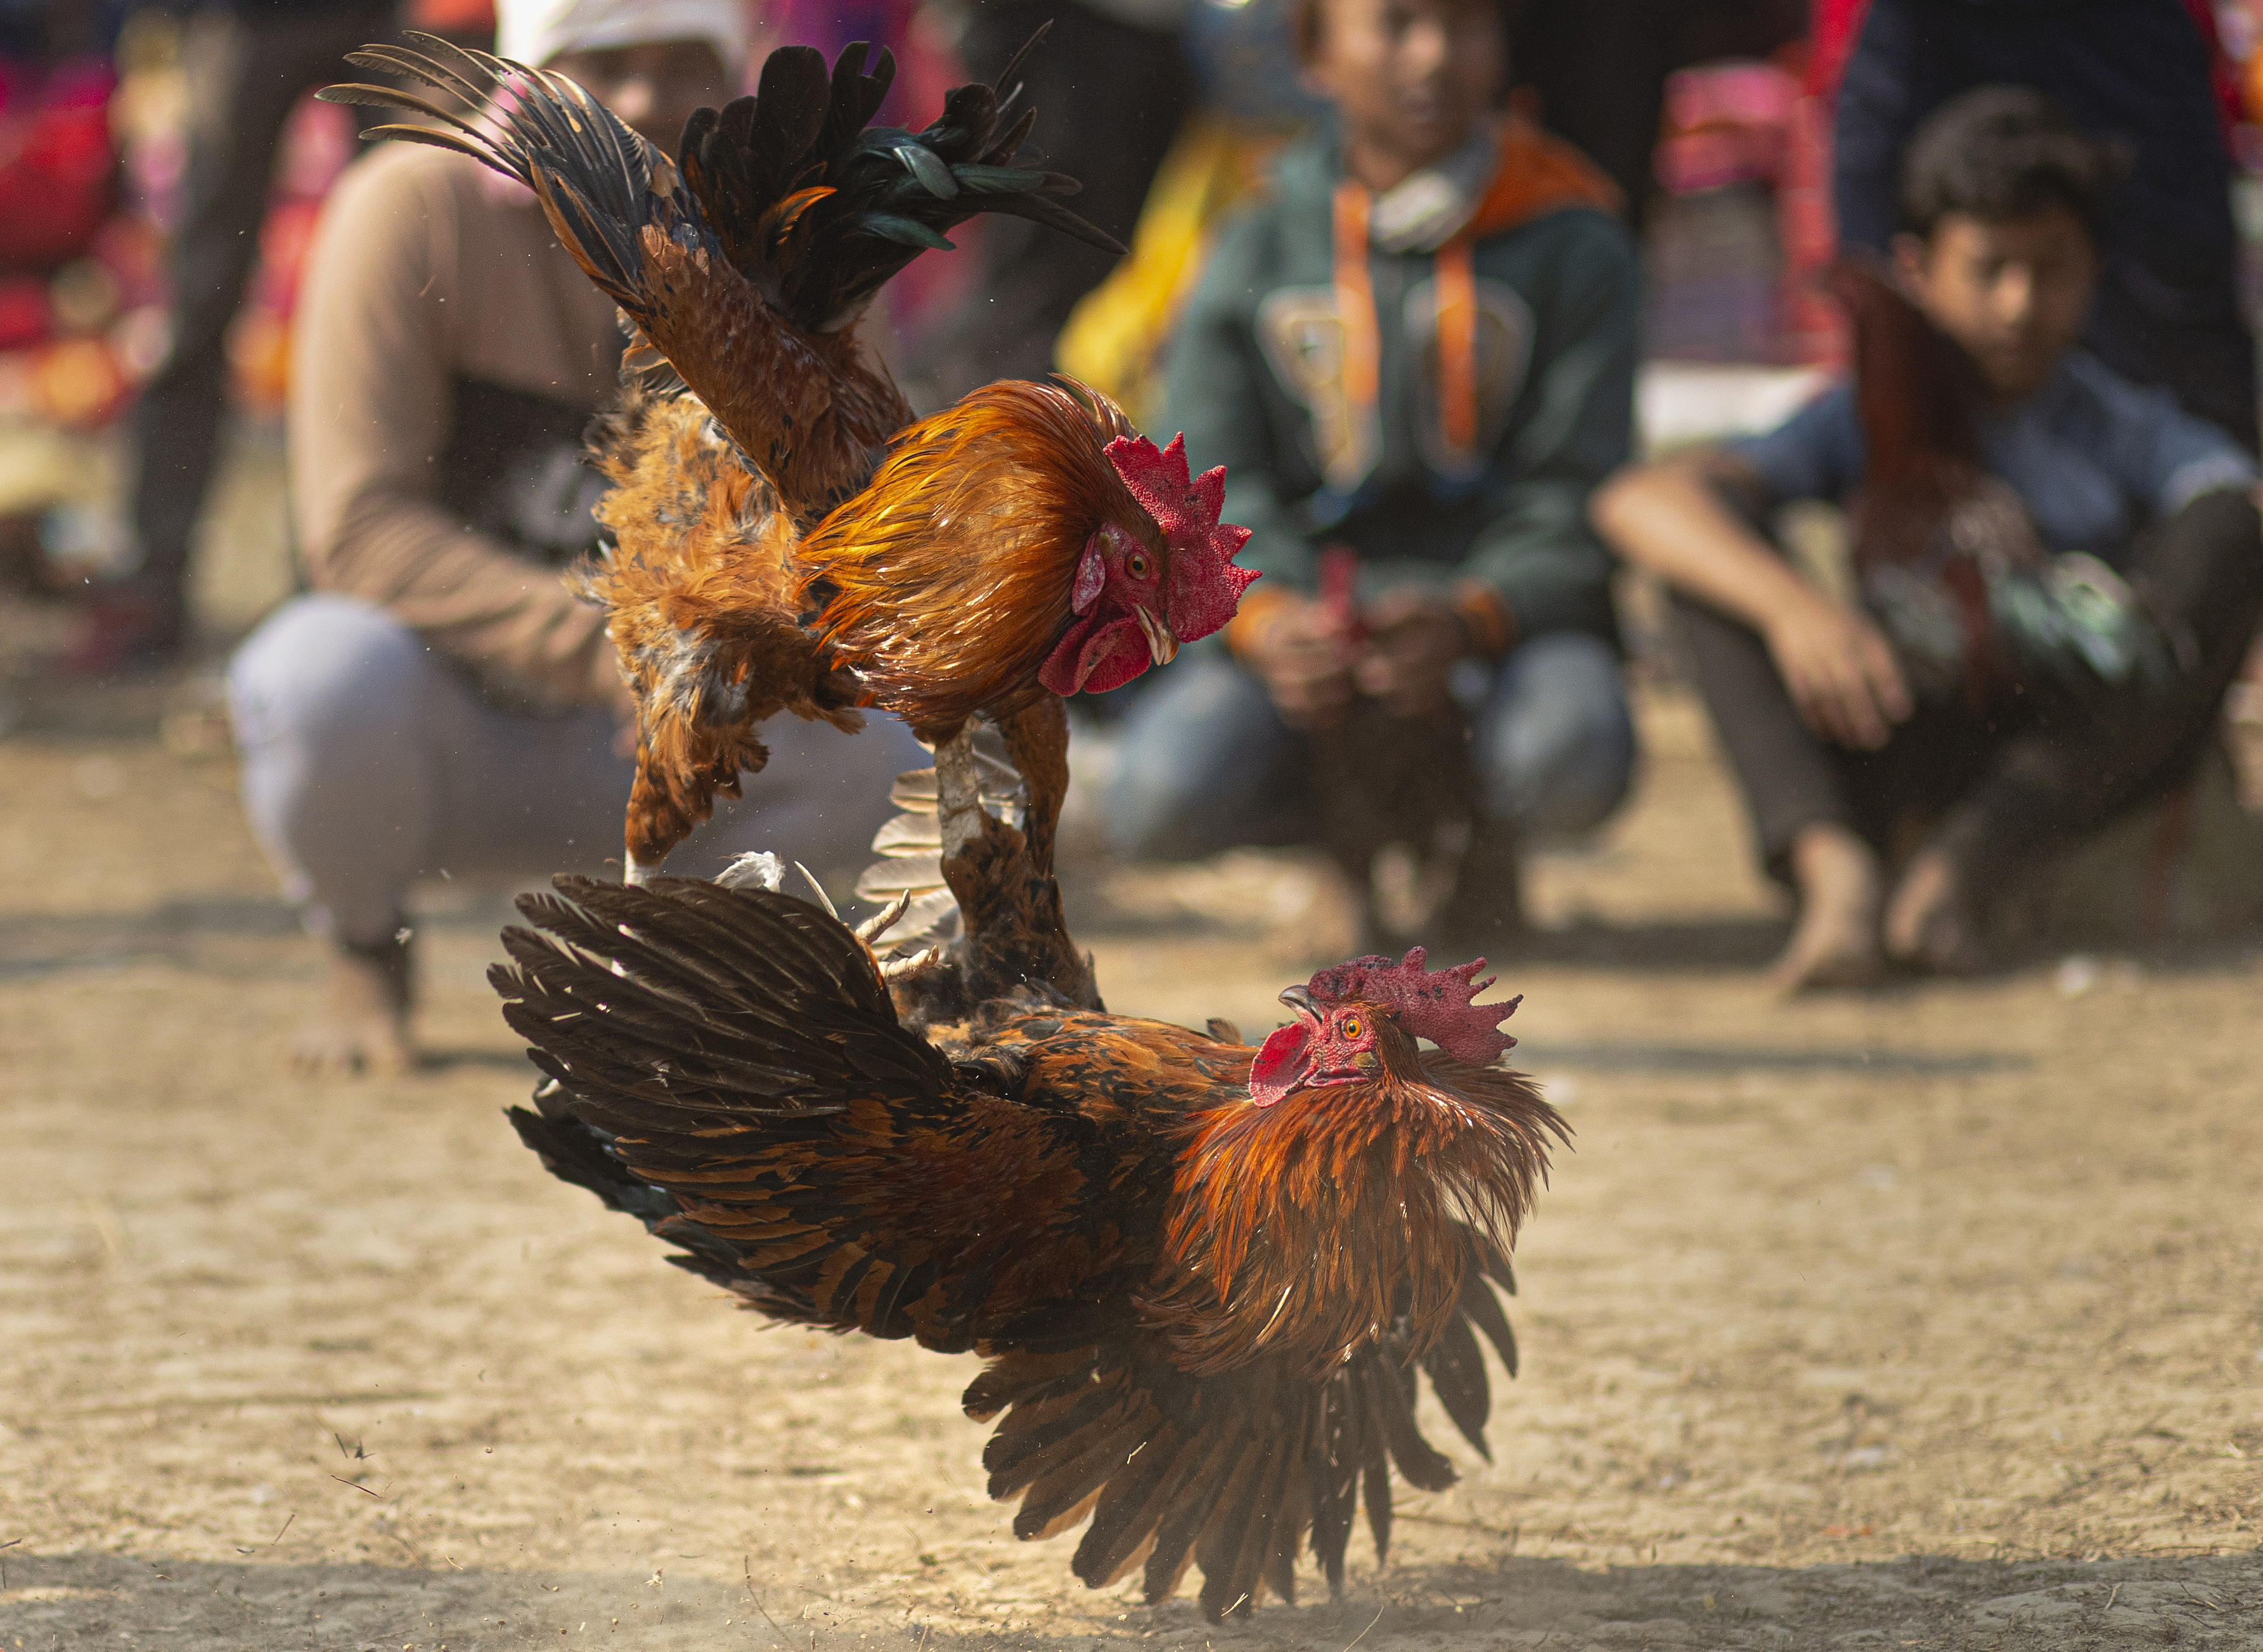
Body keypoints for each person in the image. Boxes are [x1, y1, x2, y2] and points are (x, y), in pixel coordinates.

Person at [227, 0, 924, 1075]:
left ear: (733, 77)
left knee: (884, 730)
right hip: (458, 723)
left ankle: (685, 973)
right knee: (314, 676)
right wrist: (606, 646)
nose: (644, 98)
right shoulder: (412, 208)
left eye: (681, 60)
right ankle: (365, 946)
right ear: (529, 78)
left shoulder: (796, 244)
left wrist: (742, 639)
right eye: (603, 62)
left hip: (692, 747)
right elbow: (359, 531)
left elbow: (859, 520)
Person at [1593, 88, 2263, 991]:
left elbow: (2231, 505)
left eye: (2050, 269)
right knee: (1710, 567)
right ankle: (1836, 872)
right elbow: (1640, 501)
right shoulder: (1866, 414)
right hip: (1896, 728)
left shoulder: (2121, 427)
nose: (2019, 304)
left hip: (2055, 762)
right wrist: (1796, 611)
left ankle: (1966, 866)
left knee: (2228, 538)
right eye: (1989, 269)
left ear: (2094, 272)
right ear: (1917, 271)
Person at [1104, 0, 1639, 949]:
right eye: (1394, 24)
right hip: (1304, 616)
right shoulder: (1254, 237)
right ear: (1314, 52)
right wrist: (1272, 619)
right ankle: (1334, 847)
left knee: (1569, 753)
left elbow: (1579, 487)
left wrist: (1473, 614)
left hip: (1498, 628)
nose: (1433, 56)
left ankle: (1480, 847)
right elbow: (1200, 479)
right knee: (1160, 796)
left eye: (1465, 24)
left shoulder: (1572, 236)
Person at [73, 0, 401, 671]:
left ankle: (344, 585)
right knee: (197, 302)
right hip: (243, 20)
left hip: (373, 19)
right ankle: (148, 588)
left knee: (383, 302)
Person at [1831, 0, 2256, 448]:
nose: (2018, 306)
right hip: (1936, 24)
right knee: (1901, 368)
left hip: (2124, 44)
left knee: (2173, 366)